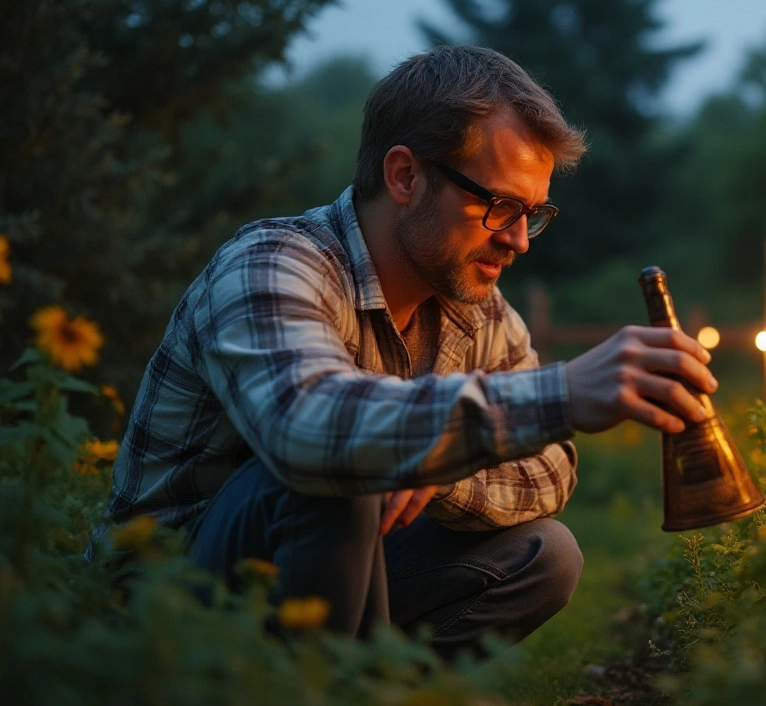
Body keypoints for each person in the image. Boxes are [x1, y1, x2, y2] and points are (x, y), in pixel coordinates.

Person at [95, 45, 718, 659]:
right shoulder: (271, 264)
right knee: (338, 473)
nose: (520, 240)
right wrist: (560, 394)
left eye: (534, 212)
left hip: (321, 586)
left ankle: (365, 686)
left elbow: (551, 469)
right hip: (165, 599)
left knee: (546, 555)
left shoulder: (477, 308)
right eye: (500, 206)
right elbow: (308, 429)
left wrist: (439, 466)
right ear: (404, 176)